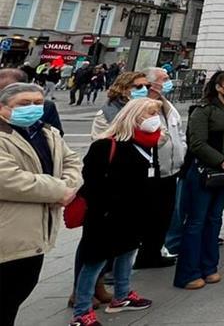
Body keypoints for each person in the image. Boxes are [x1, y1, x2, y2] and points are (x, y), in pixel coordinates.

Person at [71, 98, 162, 326]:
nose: (154, 119)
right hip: (107, 215)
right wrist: (104, 211)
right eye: (150, 114)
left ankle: (122, 295)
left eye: (155, 114)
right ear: (133, 117)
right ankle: (81, 311)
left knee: (127, 253)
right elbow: (91, 183)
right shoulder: (105, 146)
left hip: (134, 213)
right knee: (95, 262)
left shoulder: (148, 144)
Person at [0, 82, 82, 326]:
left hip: (35, 233)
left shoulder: (47, 131)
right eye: (24, 103)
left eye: (38, 103)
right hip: (8, 232)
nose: (33, 108)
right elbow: (8, 179)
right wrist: (60, 190)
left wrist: (69, 185)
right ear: (3, 107)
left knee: (17, 292)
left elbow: (72, 161)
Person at [174, 69, 224, 290]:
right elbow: (197, 142)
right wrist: (222, 161)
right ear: (218, 86)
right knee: (196, 221)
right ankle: (188, 272)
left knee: (214, 219)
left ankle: (209, 266)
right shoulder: (203, 109)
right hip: (204, 171)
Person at [135, 68, 187, 269]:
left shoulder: (167, 105)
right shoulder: (140, 106)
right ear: (151, 83)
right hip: (148, 170)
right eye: (164, 79)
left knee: (163, 215)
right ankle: (138, 255)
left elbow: (179, 133)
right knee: (146, 215)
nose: (168, 82)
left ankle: (153, 253)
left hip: (170, 169)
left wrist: (181, 153)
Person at [91, 71, 150, 139]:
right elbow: (100, 141)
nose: (144, 89)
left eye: (147, 86)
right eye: (139, 87)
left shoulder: (149, 108)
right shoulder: (106, 114)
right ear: (123, 89)